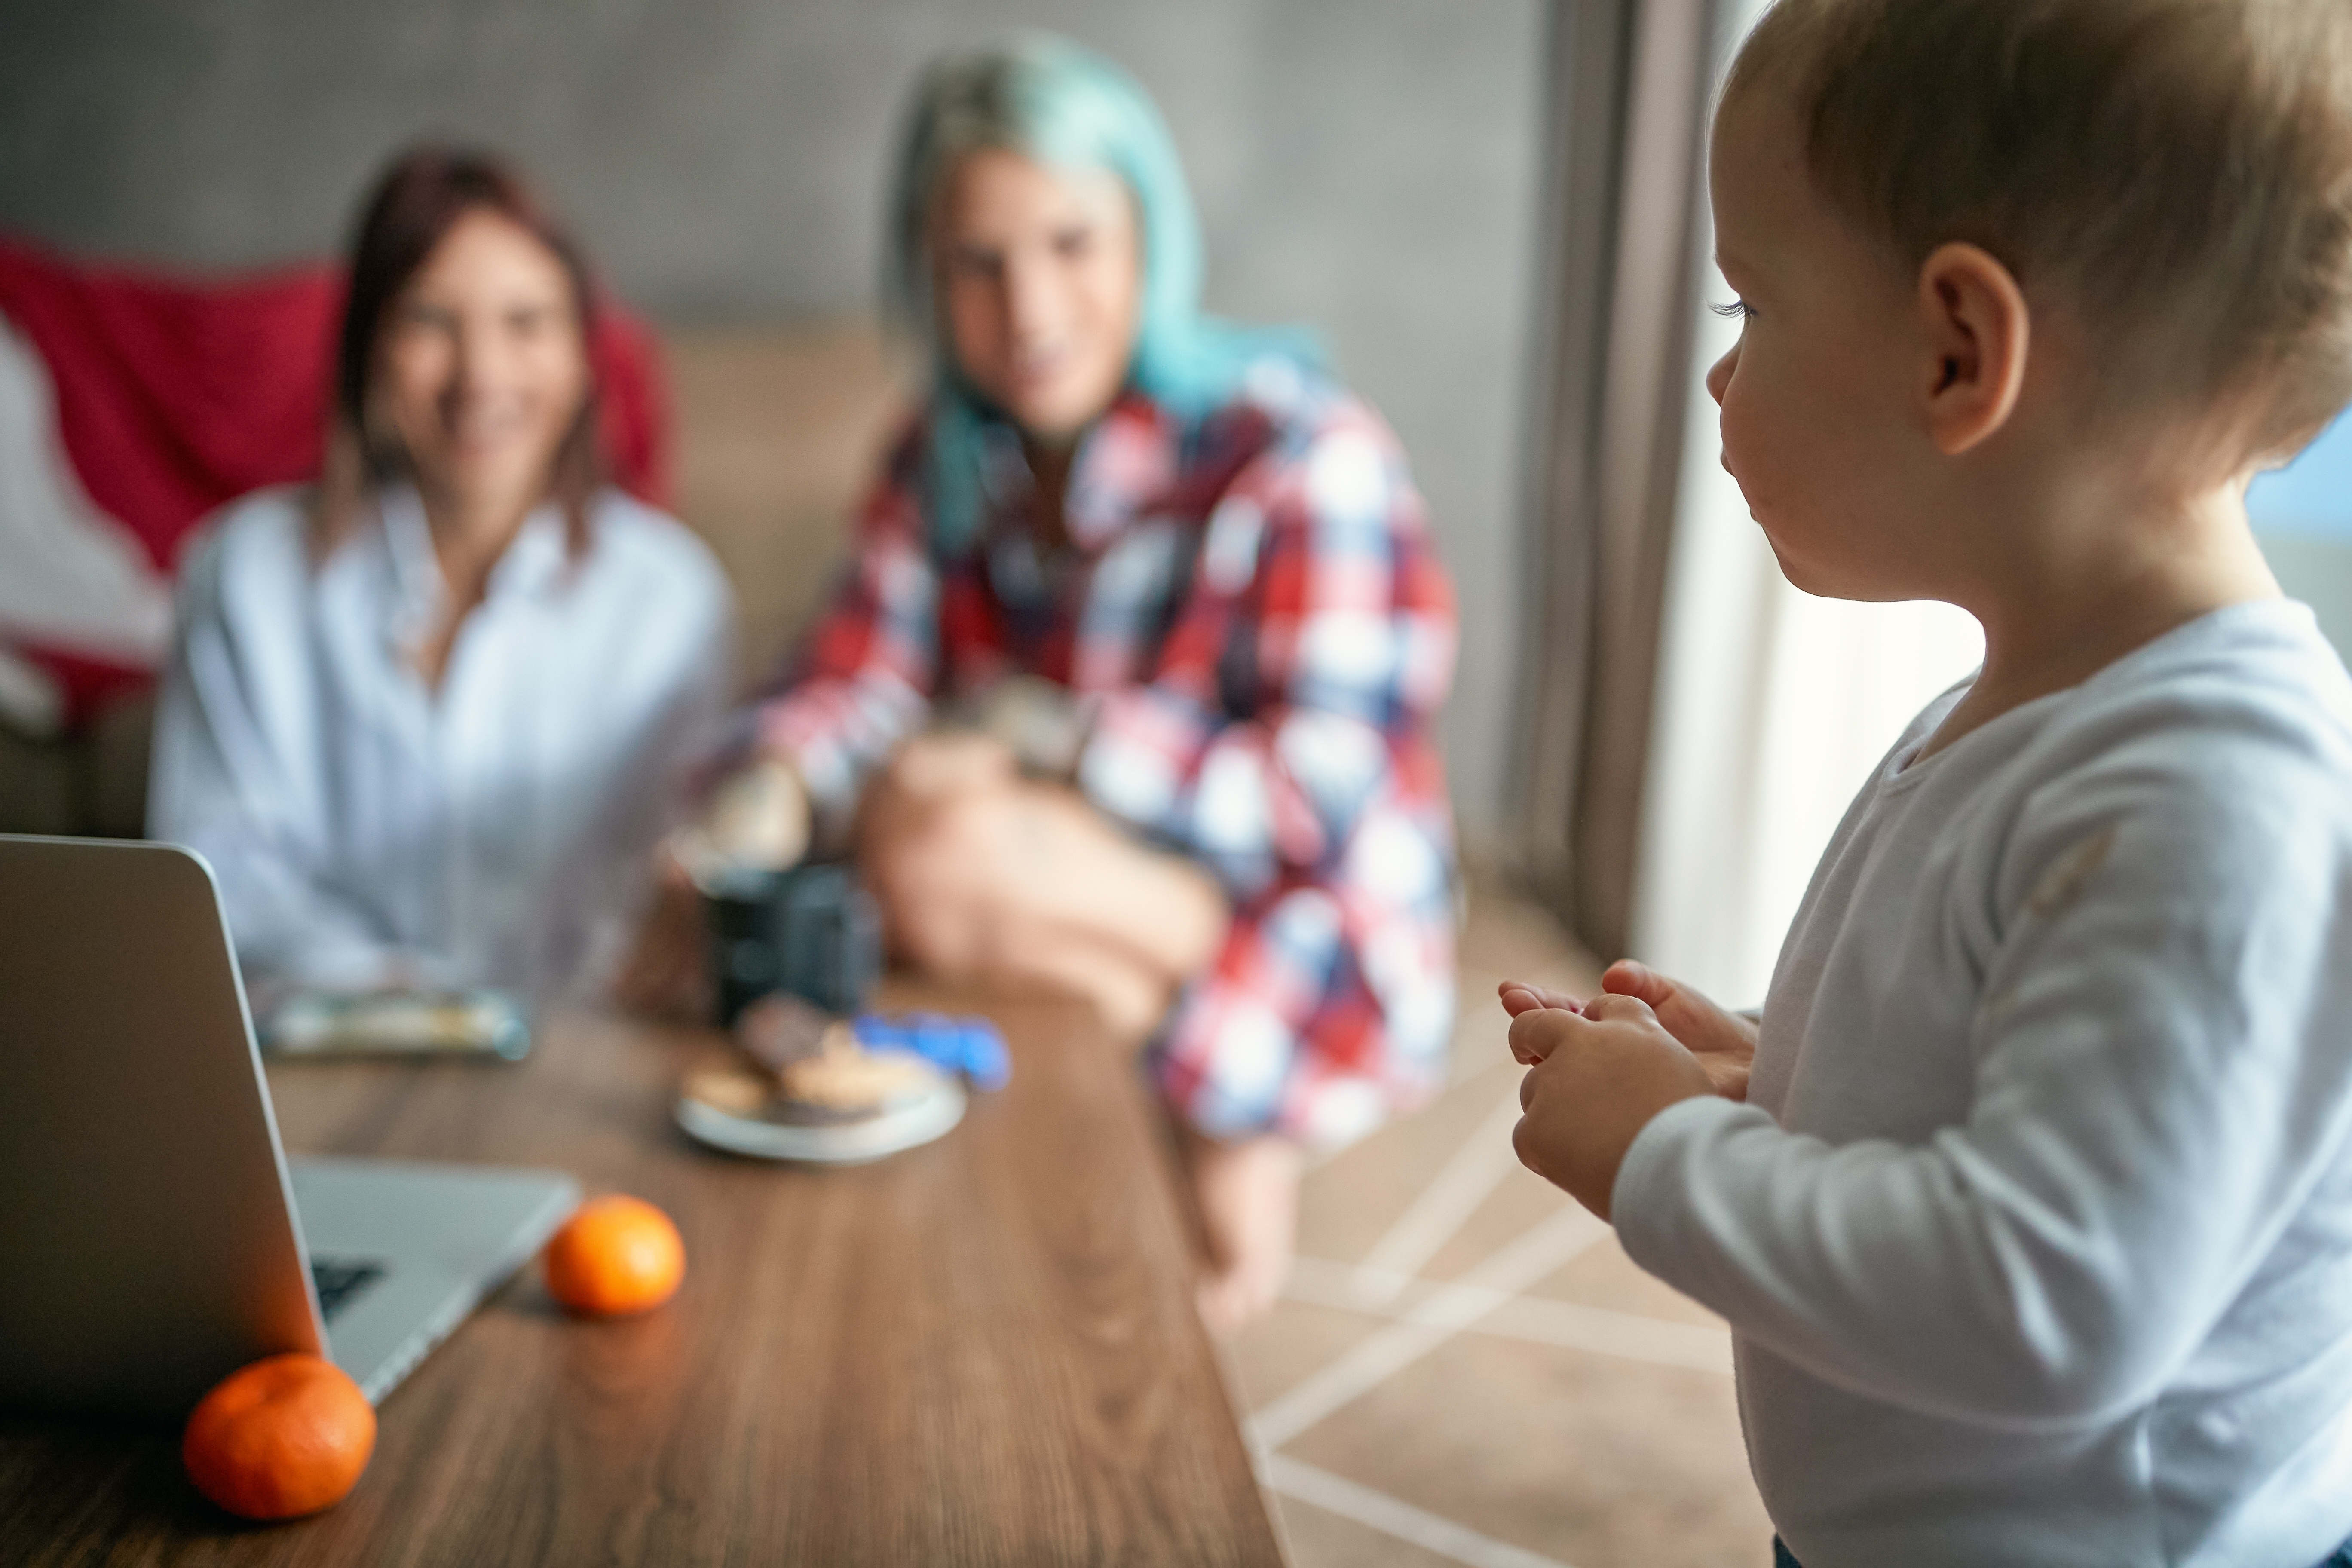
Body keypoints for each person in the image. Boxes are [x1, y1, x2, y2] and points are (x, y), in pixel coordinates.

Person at [1501, 2, 2352, 1564]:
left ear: (1961, 351)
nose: (1718, 377)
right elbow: (2018, 1077)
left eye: (1751, 303)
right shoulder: (2044, 711)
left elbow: (2052, 1300)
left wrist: (1664, 1157)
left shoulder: (2217, 796)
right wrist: (1787, 1077)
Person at [687, 37, 1458, 1330]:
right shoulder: (940, 455)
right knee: (897, 852)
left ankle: (1229, 1116)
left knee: (933, 844)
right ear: (927, 274)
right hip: (1054, 892)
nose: (1029, 309)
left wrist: (1037, 733)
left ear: (1148, 235)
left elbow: (1319, 799)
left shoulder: (1305, 452)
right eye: (977, 264)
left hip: (1308, 924)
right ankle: (1198, 1104)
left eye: (1070, 243)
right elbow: (856, 675)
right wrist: (763, 792)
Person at [150, 147, 732, 1001]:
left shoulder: (670, 600)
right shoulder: (243, 578)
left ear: (585, 359)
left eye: (526, 323)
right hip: (317, 1044)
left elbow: (659, 892)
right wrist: (397, 997)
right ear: (368, 348)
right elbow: (218, 879)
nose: (481, 375)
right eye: (430, 320)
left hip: (583, 1052)